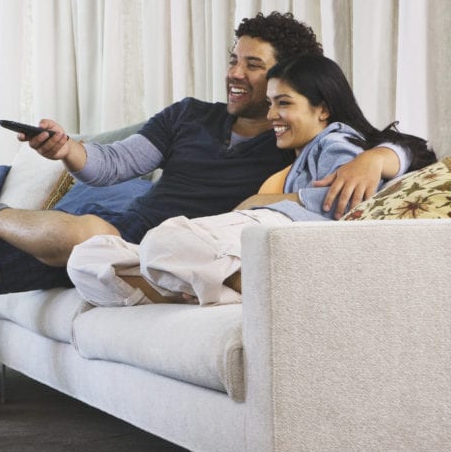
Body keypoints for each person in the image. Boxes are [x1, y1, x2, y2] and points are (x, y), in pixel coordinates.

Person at [0, 12, 411, 443]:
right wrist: (66, 149)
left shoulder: (291, 128)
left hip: (173, 246)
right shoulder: (189, 115)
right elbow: (114, 165)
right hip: (124, 226)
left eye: (254, 66)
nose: (236, 74)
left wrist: (380, 155)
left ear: (286, 82)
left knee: (83, 231)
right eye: (234, 59)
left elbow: (396, 145)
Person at [66, 55, 436, 307]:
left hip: (277, 233)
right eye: (272, 102)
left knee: (165, 243)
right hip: (245, 236)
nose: (272, 114)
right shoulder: (290, 153)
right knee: (88, 257)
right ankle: (202, 289)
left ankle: (218, 287)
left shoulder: (335, 140)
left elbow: (339, 208)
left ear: (322, 108)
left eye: (285, 104)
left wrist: (258, 203)